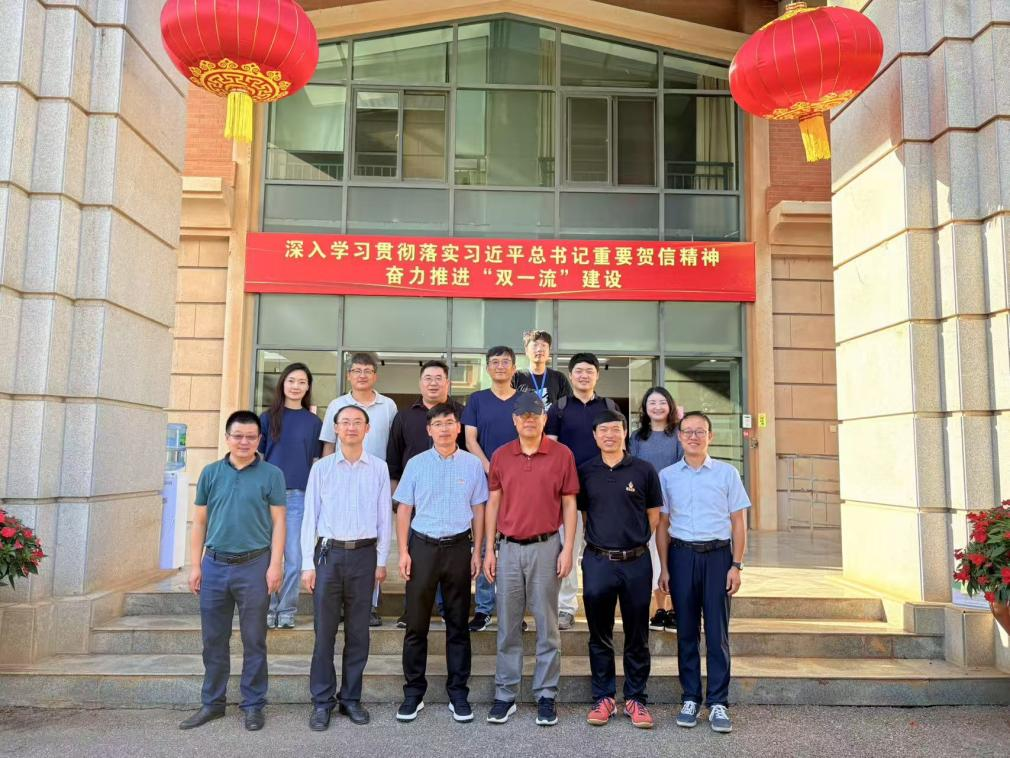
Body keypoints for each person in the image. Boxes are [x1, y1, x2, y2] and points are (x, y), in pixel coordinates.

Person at [180, 410, 286, 732]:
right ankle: (213, 703)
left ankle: (253, 705)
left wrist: (276, 564)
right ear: (227, 438)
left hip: (255, 566)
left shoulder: (272, 474)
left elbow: (280, 521)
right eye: (238, 436)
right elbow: (199, 522)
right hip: (214, 566)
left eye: (251, 437)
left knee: (254, 640)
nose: (244, 442)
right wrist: (195, 565)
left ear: (259, 440)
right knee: (214, 640)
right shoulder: (211, 473)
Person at [483, 392, 578, 727]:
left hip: (546, 546)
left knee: (547, 625)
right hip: (508, 548)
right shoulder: (501, 455)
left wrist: (567, 548)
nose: (528, 420)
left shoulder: (562, 454)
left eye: (534, 415)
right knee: (508, 625)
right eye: (523, 416)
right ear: (514, 420)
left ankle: (546, 695)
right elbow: (493, 502)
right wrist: (489, 549)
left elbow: (569, 503)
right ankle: (505, 694)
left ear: (544, 419)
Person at [657, 411, 749, 735]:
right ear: (679, 436)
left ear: (710, 436)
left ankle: (718, 702)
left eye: (700, 431)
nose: (694, 437)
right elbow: (663, 525)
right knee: (686, 632)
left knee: (717, 633)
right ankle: (691, 698)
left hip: (718, 557)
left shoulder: (727, 473)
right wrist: (664, 567)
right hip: (682, 557)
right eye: (688, 431)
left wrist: (736, 565)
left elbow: (738, 522)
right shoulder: (667, 476)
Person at [394, 403, 487, 724]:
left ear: (458, 428)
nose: (444, 429)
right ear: (429, 430)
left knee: (458, 624)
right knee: (416, 625)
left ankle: (458, 692)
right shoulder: (416, 464)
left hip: (459, 548)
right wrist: (403, 552)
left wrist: (477, 552)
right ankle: (413, 693)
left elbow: (479, 509)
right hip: (422, 547)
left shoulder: (472, 464)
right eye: (438, 424)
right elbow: (404, 509)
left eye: (449, 423)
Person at [301, 405, 392, 730]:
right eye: (345, 422)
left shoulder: (379, 468)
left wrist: (382, 560)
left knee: (358, 633)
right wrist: (307, 565)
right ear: (336, 429)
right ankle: (322, 701)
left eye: (357, 422)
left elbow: (384, 517)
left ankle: (350, 698)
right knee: (324, 633)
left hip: (364, 556)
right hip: (328, 556)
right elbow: (309, 516)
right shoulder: (321, 468)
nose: (351, 427)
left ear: (367, 429)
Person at [578, 410, 662, 730]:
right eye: (603, 430)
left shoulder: (643, 470)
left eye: (616, 429)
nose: (610, 435)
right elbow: (585, 515)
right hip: (598, 561)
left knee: (637, 633)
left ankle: (636, 698)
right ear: (595, 436)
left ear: (625, 432)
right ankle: (604, 698)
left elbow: (653, 516)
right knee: (599, 633)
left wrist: (633, 541)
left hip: (636, 562)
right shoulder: (586, 471)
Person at [320, 352, 397, 627]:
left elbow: (394, 445)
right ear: (349, 375)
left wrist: (392, 483)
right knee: (342, 541)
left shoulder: (388, 406)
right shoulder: (337, 405)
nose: (362, 375)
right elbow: (328, 444)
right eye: (357, 370)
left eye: (367, 371)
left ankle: (370, 605)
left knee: (372, 541)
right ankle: (341, 603)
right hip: (341, 479)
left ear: (375, 375)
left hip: (375, 480)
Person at [387, 360, 464, 628]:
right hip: (415, 500)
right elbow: (394, 459)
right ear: (420, 383)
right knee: (414, 561)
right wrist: (398, 500)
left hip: (451, 501)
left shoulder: (461, 414)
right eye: (428, 378)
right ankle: (412, 612)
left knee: (449, 557)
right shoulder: (404, 417)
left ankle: (445, 608)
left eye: (439, 378)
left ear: (447, 383)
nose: (433, 383)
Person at [545, 352, 619, 631]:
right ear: (571, 375)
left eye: (589, 371)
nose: (584, 375)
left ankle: (601, 603)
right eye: (579, 371)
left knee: (602, 549)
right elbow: (550, 450)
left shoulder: (609, 406)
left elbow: (619, 445)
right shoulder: (559, 407)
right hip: (569, 493)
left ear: (597, 375)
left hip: (604, 491)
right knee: (568, 548)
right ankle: (566, 607)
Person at [259, 363, 323, 630]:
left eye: (302, 382)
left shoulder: (314, 422)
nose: (296, 386)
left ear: (308, 387)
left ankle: (286, 609)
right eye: (291, 381)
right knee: (266, 556)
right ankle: (267, 607)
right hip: (267, 496)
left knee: (294, 557)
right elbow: (258, 458)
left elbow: (317, 462)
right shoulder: (266, 418)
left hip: (298, 496)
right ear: (283, 383)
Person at [461, 346, 519, 633]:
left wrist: (511, 472)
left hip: (519, 481)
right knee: (485, 542)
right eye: (494, 362)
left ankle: (514, 610)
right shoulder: (477, 399)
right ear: (487, 368)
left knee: (514, 545)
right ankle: (484, 608)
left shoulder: (525, 400)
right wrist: (490, 467)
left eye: (505, 362)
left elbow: (533, 435)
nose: (499, 366)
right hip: (485, 479)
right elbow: (469, 439)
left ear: (514, 367)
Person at [628, 387, 684, 633]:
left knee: (671, 555)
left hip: (674, 505)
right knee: (652, 556)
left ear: (670, 406)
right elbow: (631, 469)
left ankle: (674, 608)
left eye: (662, 402)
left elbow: (683, 468)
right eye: (652, 402)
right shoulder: (637, 437)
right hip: (645, 506)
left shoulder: (679, 435)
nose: (657, 407)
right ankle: (658, 609)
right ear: (645, 408)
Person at [512, 329, 571, 410]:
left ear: (549, 350)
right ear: (526, 350)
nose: (539, 349)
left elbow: (568, 408)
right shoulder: (516, 377)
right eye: (535, 345)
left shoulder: (559, 378)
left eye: (544, 345)